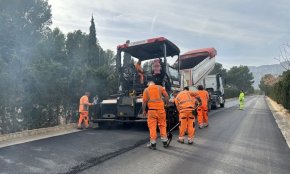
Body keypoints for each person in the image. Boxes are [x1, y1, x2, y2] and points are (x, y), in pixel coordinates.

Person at [142, 81, 169, 150]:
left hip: (151, 111)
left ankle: (153, 144)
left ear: (148, 84)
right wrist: (167, 104)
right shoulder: (160, 87)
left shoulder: (146, 90)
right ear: (154, 83)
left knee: (152, 127)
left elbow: (144, 102)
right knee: (162, 125)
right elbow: (166, 96)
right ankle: (165, 142)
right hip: (161, 110)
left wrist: (144, 111)